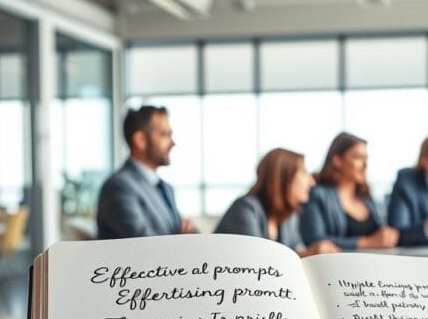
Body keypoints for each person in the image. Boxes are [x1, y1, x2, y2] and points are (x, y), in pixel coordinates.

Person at [215, 148, 339, 257]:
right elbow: (256, 262)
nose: (312, 182)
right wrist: (307, 254)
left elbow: (298, 251)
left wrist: (313, 254)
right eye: (304, 173)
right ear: (284, 177)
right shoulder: (245, 209)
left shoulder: (290, 217)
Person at [97, 106, 197, 239]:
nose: (173, 143)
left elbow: (176, 233)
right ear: (140, 140)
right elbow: (143, 245)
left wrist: (190, 233)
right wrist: (183, 239)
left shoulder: (165, 188)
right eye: (164, 135)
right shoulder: (118, 187)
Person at [301, 133, 399, 250]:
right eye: (358, 157)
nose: (365, 164)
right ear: (337, 161)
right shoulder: (318, 195)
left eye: (366, 158)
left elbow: (379, 233)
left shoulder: (366, 198)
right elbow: (315, 240)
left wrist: (387, 235)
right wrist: (365, 243)